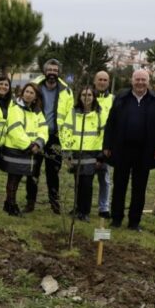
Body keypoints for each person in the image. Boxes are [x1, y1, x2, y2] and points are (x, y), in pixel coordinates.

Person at [103, 69, 155, 231]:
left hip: (145, 151)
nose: (140, 83)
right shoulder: (121, 97)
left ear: (148, 82)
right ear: (132, 81)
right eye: (137, 79)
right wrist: (107, 145)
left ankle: (134, 222)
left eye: (143, 80)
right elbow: (111, 122)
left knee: (139, 188)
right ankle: (116, 219)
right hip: (122, 149)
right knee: (119, 185)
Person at [26, 59, 73, 214]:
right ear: (45, 71)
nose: (52, 73)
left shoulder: (66, 91)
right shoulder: (35, 86)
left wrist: (66, 142)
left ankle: (54, 203)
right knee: (33, 170)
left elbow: (70, 117)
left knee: (53, 172)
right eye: (50, 70)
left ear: (59, 72)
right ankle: (30, 202)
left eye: (55, 70)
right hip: (37, 136)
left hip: (55, 137)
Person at [60, 86, 106, 221]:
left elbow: (104, 135)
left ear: (94, 97)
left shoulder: (100, 114)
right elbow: (66, 132)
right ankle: (77, 208)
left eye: (89, 95)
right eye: (84, 95)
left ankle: (84, 211)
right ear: (79, 97)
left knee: (87, 183)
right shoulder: (73, 113)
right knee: (78, 182)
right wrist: (66, 152)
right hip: (76, 153)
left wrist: (101, 156)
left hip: (92, 154)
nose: (87, 97)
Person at [2, 83, 48, 216]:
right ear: (22, 93)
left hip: (30, 150)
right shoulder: (15, 108)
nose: (28, 95)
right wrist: (30, 146)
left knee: (18, 177)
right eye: (26, 92)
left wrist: (39, 143)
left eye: (32, 93)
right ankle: (11, 205)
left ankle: (9, 204)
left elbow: (43, 129)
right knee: (14, 178)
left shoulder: (37, 111)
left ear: (35, 97)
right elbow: (15, 130)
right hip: (17, 149)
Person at [93, 71, 113, 218]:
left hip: (105, 147)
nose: (102, 82)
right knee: (84, 179)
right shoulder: (87, 97)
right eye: (100, 79)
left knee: (105, 179)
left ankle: (104, 208)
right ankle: (80, 206)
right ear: (95, 81)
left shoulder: (113, 100)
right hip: (88, 146)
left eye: (105, 80)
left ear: (109, 82)